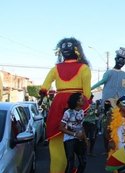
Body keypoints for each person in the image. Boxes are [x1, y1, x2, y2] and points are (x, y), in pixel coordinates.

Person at [39, 37, 91, 173]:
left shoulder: (56, 68)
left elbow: (45, 86)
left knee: (58, 138)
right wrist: (85, 106)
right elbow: (87, 92)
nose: (65, 48)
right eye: (64, 46)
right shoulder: (84, 68)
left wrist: (43, 91)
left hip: (61, 103)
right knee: (73, 139)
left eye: (67, 46)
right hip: (76, 102)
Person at [59, 93, 88, 173]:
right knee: (70, 163)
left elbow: (81, 126)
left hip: (80, 140)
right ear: (77, 102)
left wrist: (85, 140)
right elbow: (61, 128)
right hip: (69, 140)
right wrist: (74, 134)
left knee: (83, 162)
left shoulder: (82, 112)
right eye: (82, 99)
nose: (84, 100)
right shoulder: (68, 113)